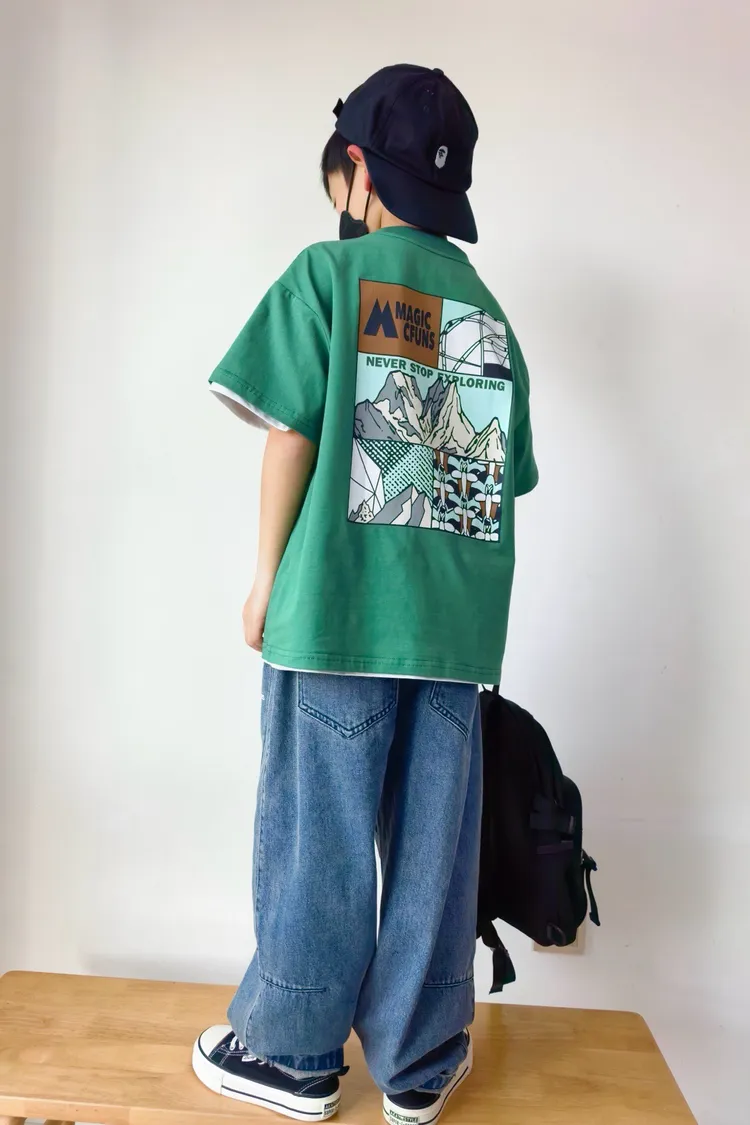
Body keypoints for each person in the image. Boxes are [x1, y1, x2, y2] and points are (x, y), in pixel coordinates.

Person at [192, 63, 538, 1124]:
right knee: (435, 850)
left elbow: (291, 434)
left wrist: (265, 579)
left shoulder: (328, 277)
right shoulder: (489, 318)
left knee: (319, 835)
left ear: (356, 170)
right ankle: (421, 1061)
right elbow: (498, 480)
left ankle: (291, 1054)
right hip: (451, 639)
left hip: (335, 615)